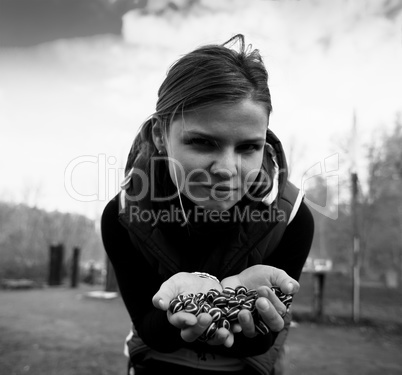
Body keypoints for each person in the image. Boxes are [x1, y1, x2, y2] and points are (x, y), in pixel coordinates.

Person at [101, 34, 314, 375]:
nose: (227, 171)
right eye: (202, 142)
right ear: (160, 135)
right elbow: (149, 328)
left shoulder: (292, 217)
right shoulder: (123, 216)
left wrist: (253, 312)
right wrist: (173, 314)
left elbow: (262, 342)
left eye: (248, 148)